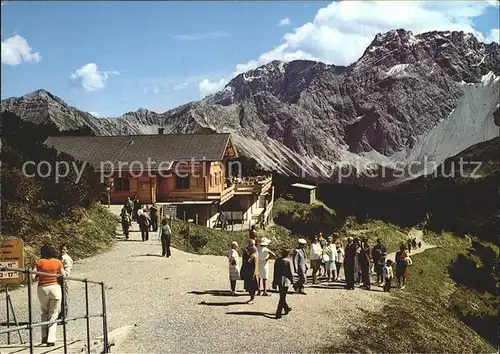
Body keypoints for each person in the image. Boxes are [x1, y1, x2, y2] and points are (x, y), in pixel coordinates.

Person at [33, 245, 64, 347]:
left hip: (42, 289)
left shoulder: (38, 262)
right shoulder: (58, 262)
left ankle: (44, 336)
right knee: (54, 313)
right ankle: (51, 339)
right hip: (55, 288)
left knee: (44, 312)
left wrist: (40, 275)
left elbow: (34, 276)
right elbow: (62, 274)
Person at [272, 249, 294, 319]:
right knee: (282, 297)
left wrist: (274, 282)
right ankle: (278, 313)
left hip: (279, 280)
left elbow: (275, 272)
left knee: (282, 296)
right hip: (285, 281)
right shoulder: (288, 261)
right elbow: (290, 273)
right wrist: (292, 280)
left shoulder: (277, 261)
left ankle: (286, 308)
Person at [240, 239, 259, 304]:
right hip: (247, 271)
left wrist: (254, 274)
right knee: (248, 286)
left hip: (252, 272)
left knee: (252, 286)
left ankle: (252, 299)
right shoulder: (247, 251)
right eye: (251, 245)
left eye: (253, 245)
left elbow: (256, 266)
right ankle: (251, 298)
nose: (252, 246)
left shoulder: (255, 254)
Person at [57, 244, 73, 320]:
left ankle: (65, 315)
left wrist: (61, 275)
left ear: (67, 250)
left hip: (63, 280)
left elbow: (67, 270)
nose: (62, 251)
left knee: (64, 297)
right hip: (58, 280)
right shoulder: (59, 257)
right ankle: (61, 314)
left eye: (64, 249)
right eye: (61, 249)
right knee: (59, 297)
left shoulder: (66, 259)